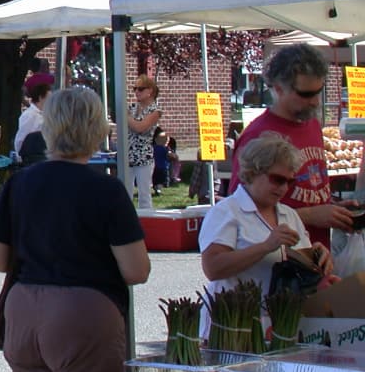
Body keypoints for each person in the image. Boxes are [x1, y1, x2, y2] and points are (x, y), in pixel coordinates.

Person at [0, 87, 150, 372]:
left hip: (23, 310)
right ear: (97, 129)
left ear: (47, 128)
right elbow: (136, 270)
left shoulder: (18, 183)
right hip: (83, 312)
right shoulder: (107, 190)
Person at [227, 44, 358, 248]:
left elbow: (307, 190)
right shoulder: (257, 136)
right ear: (278, 89)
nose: (315, 102)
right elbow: (240, 213)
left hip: (315, 254)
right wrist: (311, 215)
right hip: (278, 259)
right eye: (306, 94)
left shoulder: (312, 123)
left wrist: (334, 209)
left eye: (319, 92)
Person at [199, 132, 332, 333]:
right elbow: (213, 268)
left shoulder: (289, 214)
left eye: (290, 182)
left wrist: (316, 258)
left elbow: (299, 270)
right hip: (233, 324)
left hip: (280, 324)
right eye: (277, 180)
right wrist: (265, 247)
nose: (284, 188)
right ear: (253, 172)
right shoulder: (226, 212)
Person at [127, 74, 162, 209]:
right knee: (126, 193)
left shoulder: (155, 111)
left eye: (140, 89)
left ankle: (146, 219)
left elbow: (140, 128)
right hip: (128, 153)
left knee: (144, 194)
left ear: (150, 91)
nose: (137, 92)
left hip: (143, 156)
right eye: (135, 89)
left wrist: (126, 117)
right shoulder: (132, 107)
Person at [14, 75, 52, 164]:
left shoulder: (45, 115)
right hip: (32, 160)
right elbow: (20, 140)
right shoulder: (29, 115)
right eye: (49, 98)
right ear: (41, 98)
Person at [152, 128, 170, 196]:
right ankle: (158, 188)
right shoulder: (165, 149)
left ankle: (156, 188)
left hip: (155, 167)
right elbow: (169, 155)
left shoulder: (153, 147)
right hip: (162, 167)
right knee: (161, 179)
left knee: (155, 179)